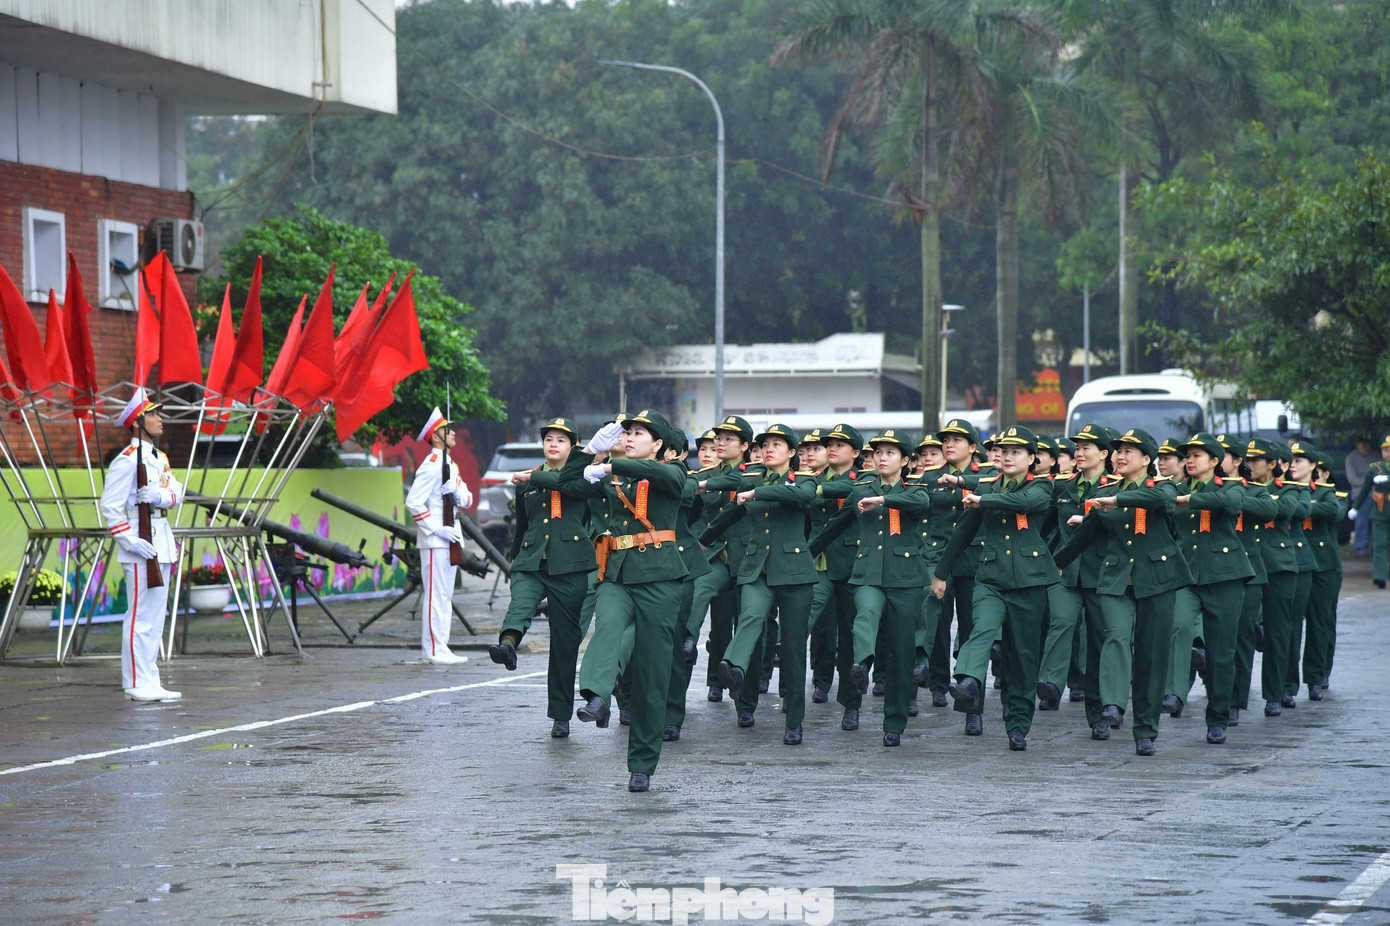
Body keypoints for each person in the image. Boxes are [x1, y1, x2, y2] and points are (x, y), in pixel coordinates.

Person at [564, 410, 688, 792]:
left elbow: (669, 478)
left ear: (660, 445)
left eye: (640, 433)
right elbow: (567, 485)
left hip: (662, 579)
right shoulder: (613, 473)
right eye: (627, 432)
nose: (630, 437)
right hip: (617, 573)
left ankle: (642, 764)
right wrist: (589, 453)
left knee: (653, 675)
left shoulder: (674, 473)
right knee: (609, 626)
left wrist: (611, 464)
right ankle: (597, 695)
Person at [1053, 428, 1193, 756]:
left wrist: (1115, 500)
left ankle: (1145, 729)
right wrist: (1054, 565)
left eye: (1130, 451)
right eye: (1118, 450)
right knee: (1115, 634)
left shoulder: (1163, 486)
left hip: (1157, 581)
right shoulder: (1108, 490)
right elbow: (1086, 534)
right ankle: (1113, 704)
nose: (1121, 455)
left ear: (1147, 459)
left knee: (1151, 655)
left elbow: (1158, 500)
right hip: (1117, 581)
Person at [932, 426, 1057, 750]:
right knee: (981, 628)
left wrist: (983, 498)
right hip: (989, 578)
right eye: (1003, 451)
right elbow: (962, 533)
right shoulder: (986, 488)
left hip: (1030, 582)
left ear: (1032, 458)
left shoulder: (1041, 485)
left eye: (1017, 452)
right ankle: (969, 681)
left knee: (1023, 657)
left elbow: (1026, 502)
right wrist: (941, 573)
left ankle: (1017, 724)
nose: (1007, 457)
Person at [810, 429, 931, 746]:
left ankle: (894, 724)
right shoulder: (859, 489)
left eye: (890, 453)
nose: (882, 457)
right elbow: (835, 525)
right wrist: (805, 554)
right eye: (878, 452)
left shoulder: (914, 488)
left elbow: (920, 502)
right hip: (866, 574)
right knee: (864, 612)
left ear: (905, 460)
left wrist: (883, 499)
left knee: (902, 654)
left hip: (905, 579)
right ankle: (862, 664)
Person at [704, 424, 818, 743]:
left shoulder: (803, 479)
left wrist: (758, 493)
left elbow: (800, 496)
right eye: (765, 444)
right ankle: (733, 668)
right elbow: (729, 514)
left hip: (795, 572)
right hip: (757, 568)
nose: (768, 449)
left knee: (794, 649)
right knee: (751, 619)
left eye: (777, 445)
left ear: (792, 453)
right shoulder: (750, 478)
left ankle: (794, 720)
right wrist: (702, 542)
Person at [493, 417, 594, 737]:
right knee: (521, 603)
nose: (553, 443)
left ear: (573, 447)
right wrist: (514, 557)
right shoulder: (527, 480)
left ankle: (561, 715)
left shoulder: (584, 477)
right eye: (549, 438)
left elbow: (579, 499)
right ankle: (508, 645)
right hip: (532, 560)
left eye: (562, 440)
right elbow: (522, 523)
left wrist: (534, 477)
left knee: (565, 644)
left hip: (571, 567)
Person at [1171, 433, 1255, 744]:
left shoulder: (1230, 487)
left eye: (1198, 455)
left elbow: (1229, 503)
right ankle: (1175, 692)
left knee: (1221, 653)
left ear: (1215, 462)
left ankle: (1218, 716)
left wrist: (1189, 500)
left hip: (1225, 577)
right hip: (1188, 577)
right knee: (1177, 626)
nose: (1190, 460)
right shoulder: (1175, 488)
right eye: (1188, 455)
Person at [101, 389, 185, 701]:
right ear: (137, 423)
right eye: (152, 415)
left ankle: (150, 678)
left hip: (160, 538)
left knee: (155, 616)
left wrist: (159, 496)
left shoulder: (158, 458)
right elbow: (110, 507)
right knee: (139, 616)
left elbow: (176, 492)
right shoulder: (126, 461)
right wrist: (130, 540)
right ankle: (135, 681)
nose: (159, 419)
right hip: (140, 542)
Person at [1037, 424, 1114, 712]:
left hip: (1102, 574)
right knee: (1061, 621)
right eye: (1077, 448)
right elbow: (1043, 528)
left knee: (1097, 639)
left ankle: (1100, 707)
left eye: (1086, 448)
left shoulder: (1116, 488)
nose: (1079, 453)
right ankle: (1050, 683)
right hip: (1065, 572)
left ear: (1104, 453)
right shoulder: (1063, 486)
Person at [682, 415, 754, 701]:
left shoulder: (752, 472)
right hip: (716, 556)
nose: (720, 443)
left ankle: (742, 691)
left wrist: (704, 484)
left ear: (745, 446)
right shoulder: (703, 475)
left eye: (728, 440)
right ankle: (688, 640)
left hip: (749, 558)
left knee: (745, 622)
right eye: (718, 439)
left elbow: (735, 481)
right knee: (702, 593)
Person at [805, 423, 868, 728]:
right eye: (829, 444)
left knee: (850, 635)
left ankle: (851, 702)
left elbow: (851, 492)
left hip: (852, 565)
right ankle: (813, 682)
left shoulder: (864, 479)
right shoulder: (812, 478)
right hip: (818, 562)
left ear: (856, 453)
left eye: (840, 445)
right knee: (811, 622)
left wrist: (814, 488)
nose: (832, 448)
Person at [405, 408, 473, 666]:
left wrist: (455, 493)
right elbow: (413, 502)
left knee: (445, 596)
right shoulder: (433, 465)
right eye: (447, 430)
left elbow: (468, 499)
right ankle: (432, 649)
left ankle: (441, 646)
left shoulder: (449, 464)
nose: (453, 433)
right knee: (435, 595)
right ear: (436, 437)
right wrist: (436, 528)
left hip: (451, 535)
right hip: (437, 539)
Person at [1216, 435, 1276, 728]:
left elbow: (1269, 510)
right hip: (1212, 571)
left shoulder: (1254, 489)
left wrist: (1236, 496)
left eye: (1222, 454)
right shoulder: (1205, 489)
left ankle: (1234, 700)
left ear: (1237, 462)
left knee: (1240, 639)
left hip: (1247, 572)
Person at [1156, 437, 1203, 719]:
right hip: (1178, 570)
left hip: (1213, 570)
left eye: (1168, 457)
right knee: (1179, 629)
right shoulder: (1161, 490)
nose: (1162, 462)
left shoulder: (1205, 490)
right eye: (1159, 458)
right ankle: (1175, 692)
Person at [1299, 449, 1347, 697]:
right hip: (1296, 562)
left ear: (1325, 473)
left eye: (1315, 471)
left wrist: (1306, 504)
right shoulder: (1290, 489)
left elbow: (1334, 512)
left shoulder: (1334, 495)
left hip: (1323, 566)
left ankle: (1317, 676)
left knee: (1321, 623)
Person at [1349, 434, 1390, 589]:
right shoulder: (1375, 469)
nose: (1388, 453)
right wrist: (1356, 507)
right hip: (1380, 510)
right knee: (1379, 544)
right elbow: (1365, 489)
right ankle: (1379, 576)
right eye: (1385, 450)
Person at [1345, 437, 1375, 555]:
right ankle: (1360, 548)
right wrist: (1370, 481)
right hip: (1360, 494)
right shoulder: (1351, 458)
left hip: (1377, 494)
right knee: (1361, 521)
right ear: (1358, 445)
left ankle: (1375, 547)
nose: (1367, 448)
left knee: (1377, 522)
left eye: (1368, 445)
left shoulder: (1376, 456)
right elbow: (1352, 479)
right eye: (1364, 445)